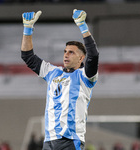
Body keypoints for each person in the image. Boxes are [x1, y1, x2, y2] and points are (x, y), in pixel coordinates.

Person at [21, 9, 99, 150]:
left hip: (70, 140)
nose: (66, 55)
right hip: (49, 141)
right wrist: (27, 29)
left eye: (71, 52)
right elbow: (28, 57)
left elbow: (93, 55)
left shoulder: (85, 76)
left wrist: (82, 25)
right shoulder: (52, 72)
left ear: (81, 58)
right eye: (65, 51)